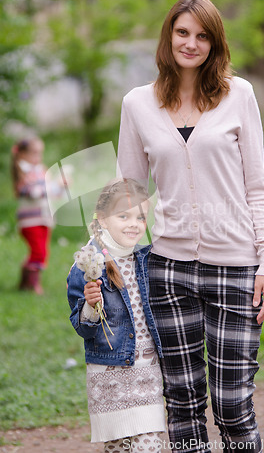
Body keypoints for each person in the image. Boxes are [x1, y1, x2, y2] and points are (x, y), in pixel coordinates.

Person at [117, 0, 264, 453]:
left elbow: (257, 187)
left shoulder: (239, 95)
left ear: (215, 43)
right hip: (168, 271)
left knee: (232, 408)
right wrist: (104, 255)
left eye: (202, 35)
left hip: (236, 268)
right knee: (183, 404)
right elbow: (128, 190)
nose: (191, 43)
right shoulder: (138, 104)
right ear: (169, 36)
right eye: (183, 32)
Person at [67, 179, 166, 453]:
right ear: (102, 219)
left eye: (140, 217)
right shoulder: (86, 264)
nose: (133, 224)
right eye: (124, 216)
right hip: (110, 379)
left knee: (150, 447)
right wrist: (90, 305)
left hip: (147, 374)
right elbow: (83, 328)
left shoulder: (146, 258)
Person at [11, 137, 58, 294]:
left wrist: (61, 186)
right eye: (34, 153)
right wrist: (49, 188)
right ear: (22, 155)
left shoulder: (41, 171)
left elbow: (52, 193)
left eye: (40, 153)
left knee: (42, 251)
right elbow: (31, 192)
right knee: (39, 252)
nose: (38, 157)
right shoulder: (23, 173)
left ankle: (25, 282)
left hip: (43, 218)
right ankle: (33, 285)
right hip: (30, 221)